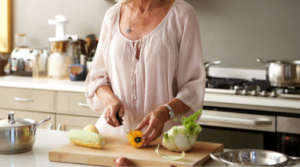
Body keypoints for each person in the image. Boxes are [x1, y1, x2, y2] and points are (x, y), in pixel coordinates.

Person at [85, 0, 205, 147]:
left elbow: (193, 86)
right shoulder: (113, 15)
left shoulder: (182, 14)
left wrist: (164, 112)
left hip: (162, 141)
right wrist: (110, 100)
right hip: (114, 139)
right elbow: (97, 77)